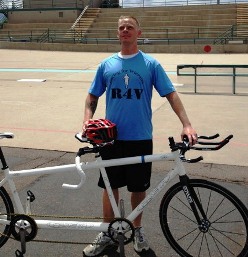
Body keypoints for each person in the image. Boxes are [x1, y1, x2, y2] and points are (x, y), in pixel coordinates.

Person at [82, 15, 197, 257]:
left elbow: (171, 95)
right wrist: (87, 120)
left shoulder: (150, 64)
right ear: (117, 33)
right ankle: (107, 232)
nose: (125, 30)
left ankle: (138, 229)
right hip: (110, 138)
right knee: (110, 186)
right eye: (121, 27)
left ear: (138, 32)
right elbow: (92, 96)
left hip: (140, 137)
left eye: (130, 27)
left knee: (137, 187)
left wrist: (186, 124)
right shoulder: (106, 65)